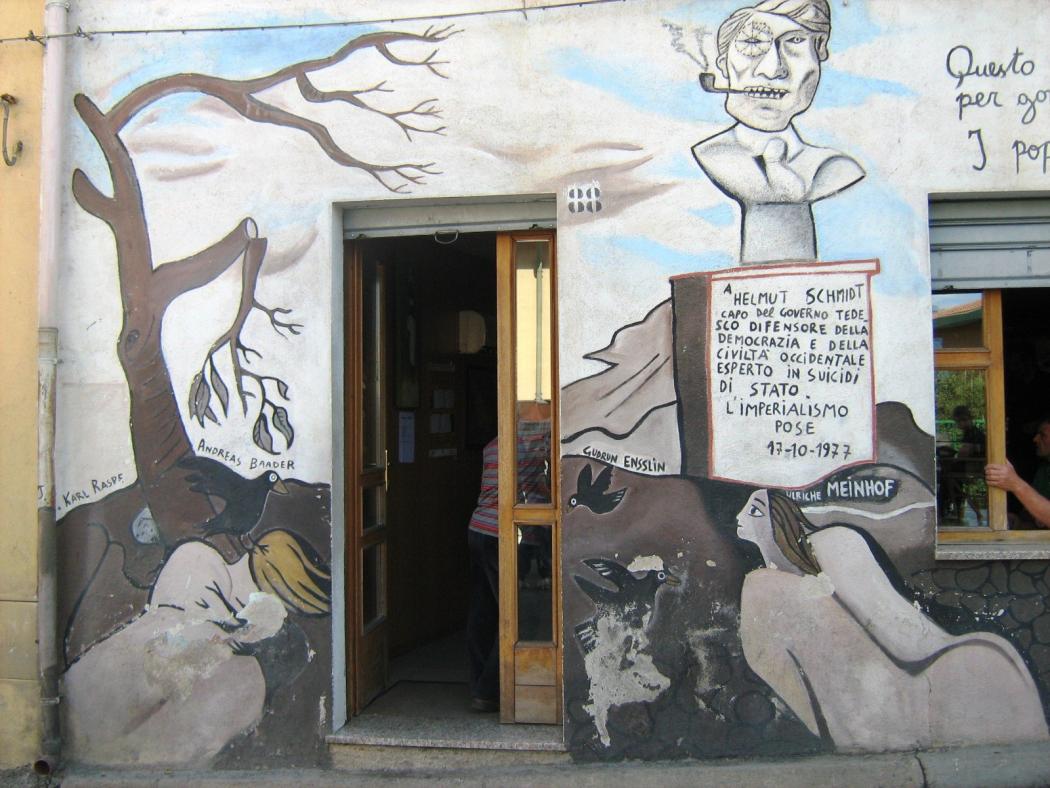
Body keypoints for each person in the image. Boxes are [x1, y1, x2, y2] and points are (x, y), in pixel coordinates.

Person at [734, 489, 1048, 750]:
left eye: (754, 511)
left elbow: (887, 618)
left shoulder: (827, 545)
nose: (739, 517)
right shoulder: (770, 583)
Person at [693, 0, 864, 263]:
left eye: (794, 41)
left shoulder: (834, 168)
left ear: (818, 53)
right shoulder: (713, 155)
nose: (772, 69)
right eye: (752, 43)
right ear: (724, 65)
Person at [466, 404, 551, 712]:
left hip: (479, 529)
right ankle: (490, 691)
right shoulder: (531, 446)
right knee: (515, 614)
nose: (547, 418)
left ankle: (479, 684)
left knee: (484, 610)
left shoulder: (494, 444)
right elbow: (545, 484)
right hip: (506, 536)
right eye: (542, 414)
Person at [985, 415, 1050, 529]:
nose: (1035, 439)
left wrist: (1015, 484)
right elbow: (1037, 522)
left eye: (1043, 435)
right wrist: (1018, 522)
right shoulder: (1044, 469)